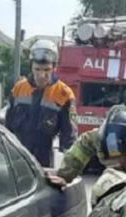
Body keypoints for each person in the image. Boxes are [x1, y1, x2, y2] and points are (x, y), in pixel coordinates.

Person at [4, 40, 77, 168]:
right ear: (31, 66)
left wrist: (69, 170)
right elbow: (7, 127)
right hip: (17, 158)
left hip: (43, 162)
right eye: (37, 69)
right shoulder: (18, 88)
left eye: (47, 70)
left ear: (54, 68)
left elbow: (69, 137)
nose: (41, 75)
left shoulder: (64, 94)